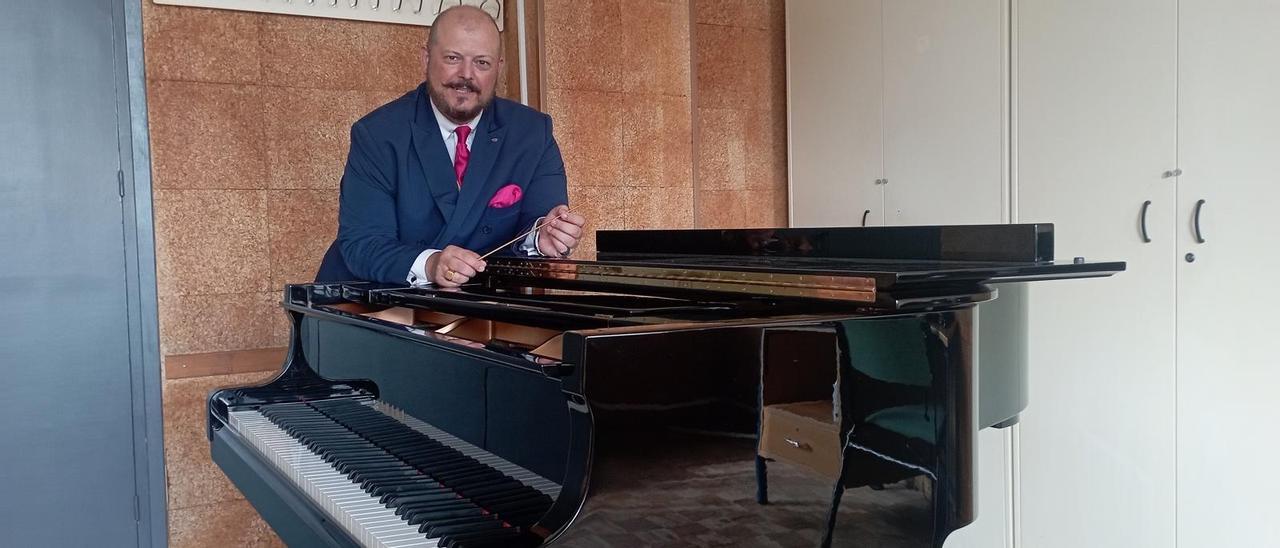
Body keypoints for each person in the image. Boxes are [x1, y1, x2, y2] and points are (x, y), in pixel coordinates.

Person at [315, 5, 586, 287]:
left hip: (472, 306)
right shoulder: (377, 134)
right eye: (453, 58)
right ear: (426, 58)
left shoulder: (533, 133)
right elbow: (363, 244)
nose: (466, 75)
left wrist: (544, 238)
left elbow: (537, 226)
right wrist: (431, 264)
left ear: (499, 68)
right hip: (369, 302)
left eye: (482, 63)